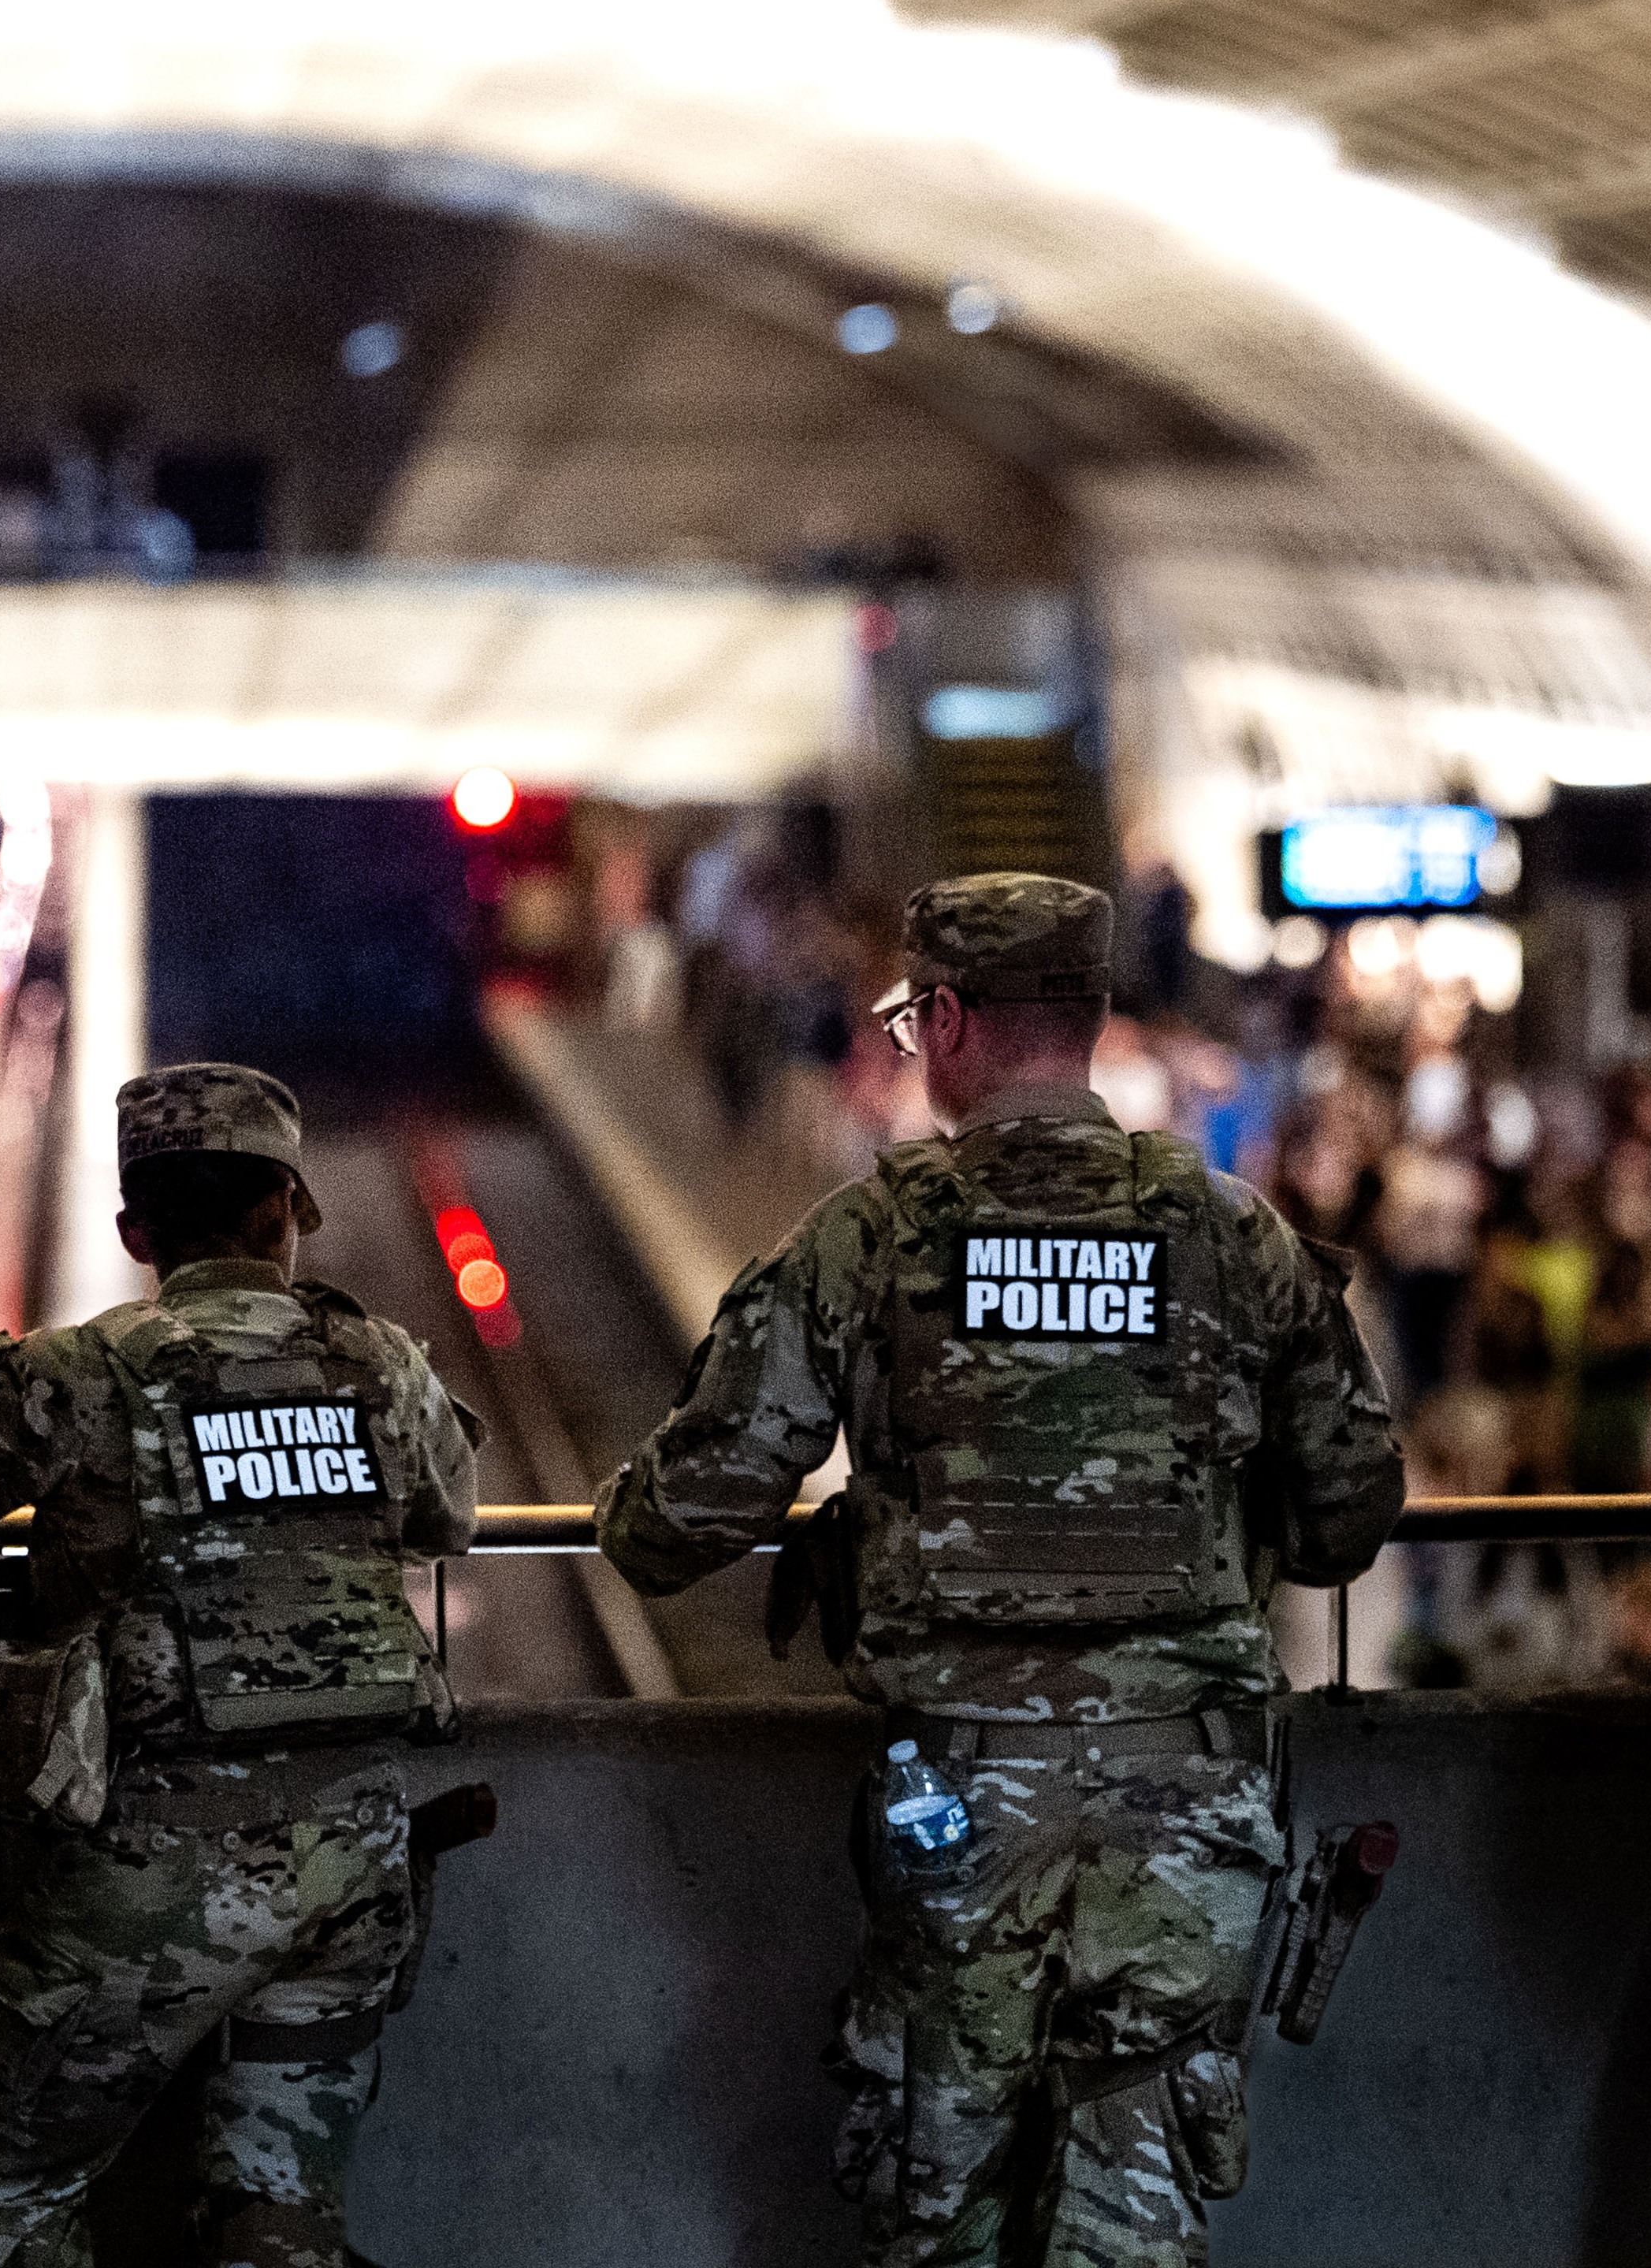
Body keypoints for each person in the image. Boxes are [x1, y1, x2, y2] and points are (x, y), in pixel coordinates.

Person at [599, 872, 1403, 2268]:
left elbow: (683, 1521)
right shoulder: (1227, 1235)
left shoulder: (869, 1239)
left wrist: (634, 1505)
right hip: (1191, 1808)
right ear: (1086, 1022)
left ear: (953, 1020)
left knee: (941, 2205)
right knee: (1136, 2212)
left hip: (955, 1808)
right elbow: (1351, 1511)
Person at [0, 1061, 482, 2268]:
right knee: (277, 2223)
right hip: (355, 1874)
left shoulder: (72, 1378)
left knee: (5, 2197)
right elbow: (443, 1523)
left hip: (144, 1886)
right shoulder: (384, 1369)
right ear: (284, 1215)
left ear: (133, 1232)